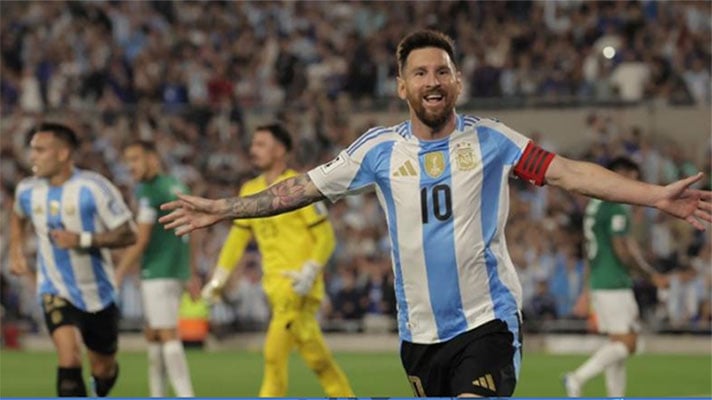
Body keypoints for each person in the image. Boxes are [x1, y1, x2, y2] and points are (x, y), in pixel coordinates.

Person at [158, 30, 712, 397]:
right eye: (420, 73)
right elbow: (299, 189)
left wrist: (655, 196)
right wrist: (223, 209)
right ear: (402, 86)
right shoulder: (378, 150)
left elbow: (567, 171)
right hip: (419, 334)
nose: (433, 81)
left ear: (458, 82)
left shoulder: (491, 139)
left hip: (487, 321)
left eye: (442, 71)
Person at [200, 123, 355, 397]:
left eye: (261, 144)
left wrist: (310, 271)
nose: (253, 149)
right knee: (318, 360)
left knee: (273, 356)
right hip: (274, 288)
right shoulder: (250, 189)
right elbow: (236, 239)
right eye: (253, 144)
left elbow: (326, 237)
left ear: (280, 150)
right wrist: (218, 279)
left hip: (297, 287)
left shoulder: (299, 186)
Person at [9, 122, 136, 397]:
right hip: (54, 287)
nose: (32, 157)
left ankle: (105, 376)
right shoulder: (27, 190)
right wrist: (15, 250)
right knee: (69, 358)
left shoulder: (94, 188)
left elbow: (129, 233)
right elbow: (18, 216)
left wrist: (82, 240)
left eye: (40, 150)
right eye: (32, 150)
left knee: (102, 369)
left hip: (98, 292)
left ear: (63, 154)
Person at [564, 157, 668, 397]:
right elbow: (622, 249)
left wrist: (586, 288)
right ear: (621, 173)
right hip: (613, 282)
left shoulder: (594, 205)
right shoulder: (616, 206)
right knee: (629, 343)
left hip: (601, 280)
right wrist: (651, 276)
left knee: (618, 341)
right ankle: (577, 377)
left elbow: (589, 250)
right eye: (633, 177)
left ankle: (616, 396)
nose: (634, 184)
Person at [116, 140, 197, 397]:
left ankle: (185, 394)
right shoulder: (177, 185)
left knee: (166, 333)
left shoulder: (148, 192)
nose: (130, 166)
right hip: (176, 270)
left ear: (152, 159)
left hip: (158, 271)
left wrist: (118, 273)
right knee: (153, 333)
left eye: (135, 159)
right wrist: (191, 271)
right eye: (127, 161)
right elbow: (192, 230)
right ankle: (157, 393)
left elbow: (141, 240)